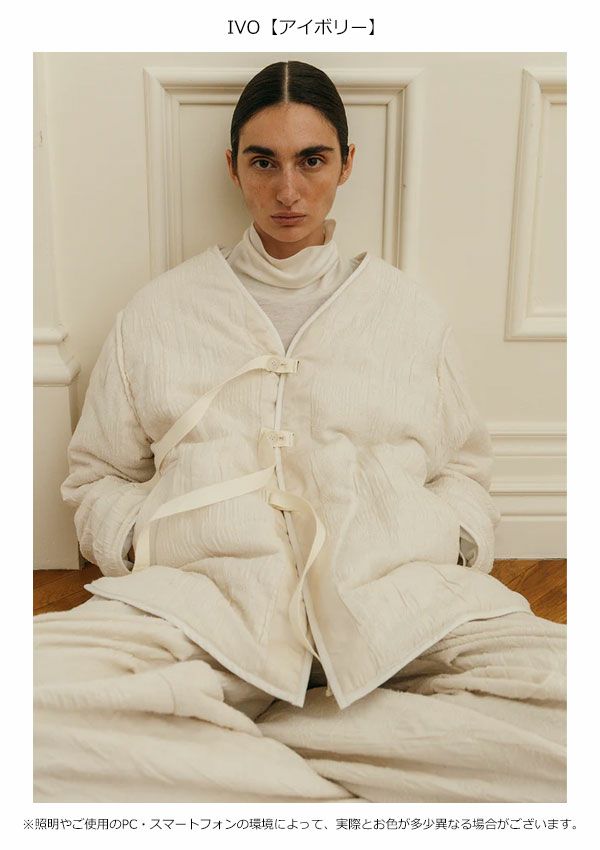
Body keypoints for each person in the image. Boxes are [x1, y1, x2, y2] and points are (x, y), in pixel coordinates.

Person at [33, 60, 566, 803]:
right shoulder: (158, 313)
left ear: (346, 164)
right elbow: (97, 475)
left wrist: (449, 537)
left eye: (312, 160)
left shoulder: (409, 315)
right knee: (29, 714)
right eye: (265, 162)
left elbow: (462, 470)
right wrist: (145, 541)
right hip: (200, 603)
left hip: (402, 599)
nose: (288, 190)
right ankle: (358, 754)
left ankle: (253, 747)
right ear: (233, 167)